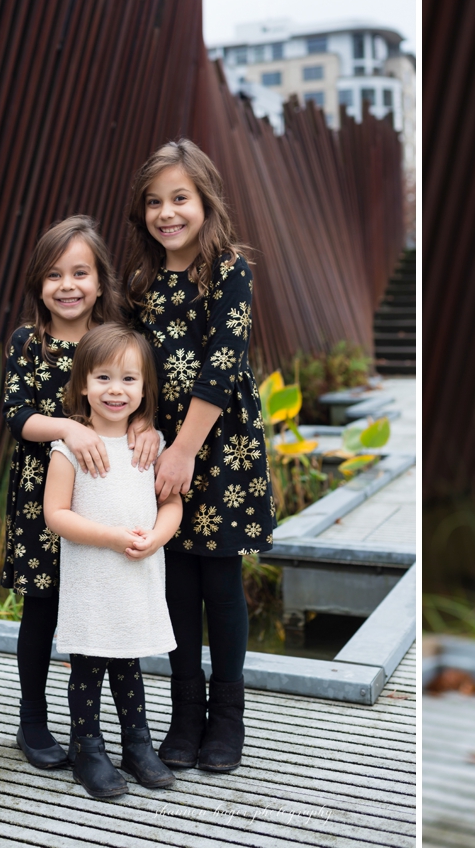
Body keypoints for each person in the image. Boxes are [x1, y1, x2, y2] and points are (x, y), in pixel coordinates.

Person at [124, 139, 270, 773]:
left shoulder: (230, 268)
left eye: (180, 198)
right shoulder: (142, 282)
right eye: (155, 202)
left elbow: (223, 361)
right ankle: (185, 712)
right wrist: (147, 424)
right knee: (175, 579)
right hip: (165, 447)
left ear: (206, 200)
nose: (168, 213)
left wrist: (185, 448)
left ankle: (228, 716)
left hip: (220, 445)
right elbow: (136, 364)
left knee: (221, 581)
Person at [2, 215, 161, 769]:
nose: (67, 286)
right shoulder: (30, 342)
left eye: (79, 273)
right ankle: (32, 719)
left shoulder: (114, 339)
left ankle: (113, 733)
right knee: (42, 610)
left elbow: (141, 389)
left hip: (108, 498)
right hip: (43, 497)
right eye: (53, 275)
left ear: (100, 280)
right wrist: (70, 427)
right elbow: (17, 415)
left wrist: (143, 423)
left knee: (102, 608)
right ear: (38, 285)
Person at [42, 325, 182, 797]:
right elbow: (56, 514)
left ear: (145, 389)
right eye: (103, 378)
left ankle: (136, 745)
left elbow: (172, 504)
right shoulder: (70, 450)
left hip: (136, 574)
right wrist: (110, 537)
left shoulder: (152, 445)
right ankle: (88, 748)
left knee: (128, 665)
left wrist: (157, 538)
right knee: (88, 667)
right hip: (92, 579)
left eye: (128, 380)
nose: (116, 390)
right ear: (83, 383)